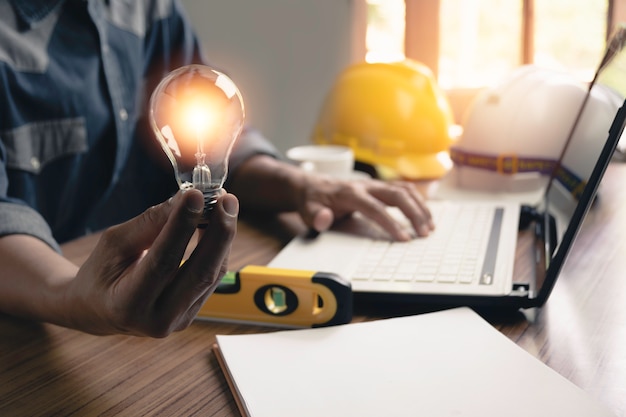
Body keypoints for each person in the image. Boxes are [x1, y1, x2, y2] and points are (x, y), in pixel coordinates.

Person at [0, 0, 433, 337]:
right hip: (32, 330)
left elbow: (206, 120)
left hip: (149, 321)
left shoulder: (148, 8)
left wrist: (298, 184)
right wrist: (72, 294)